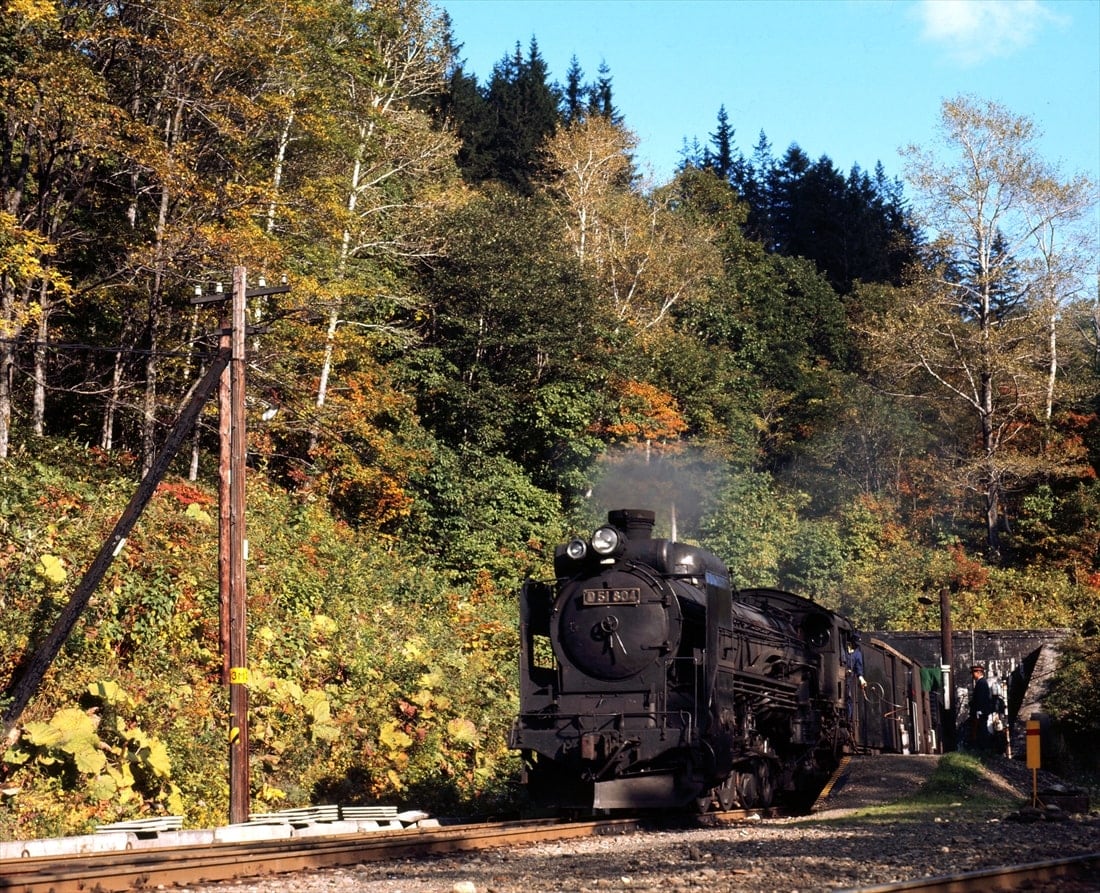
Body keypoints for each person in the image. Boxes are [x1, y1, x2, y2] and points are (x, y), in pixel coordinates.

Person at [969, 664, 992, 750]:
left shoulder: (981, 683)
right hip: (981, 711)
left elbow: (981, 698)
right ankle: (983, 748)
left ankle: (984, 748)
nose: (972, 675)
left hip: (981, 712)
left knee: (982, 730)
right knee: (981, 730)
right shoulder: (981, 682)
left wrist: (979, 710)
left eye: (973, 673)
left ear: (978, 672)